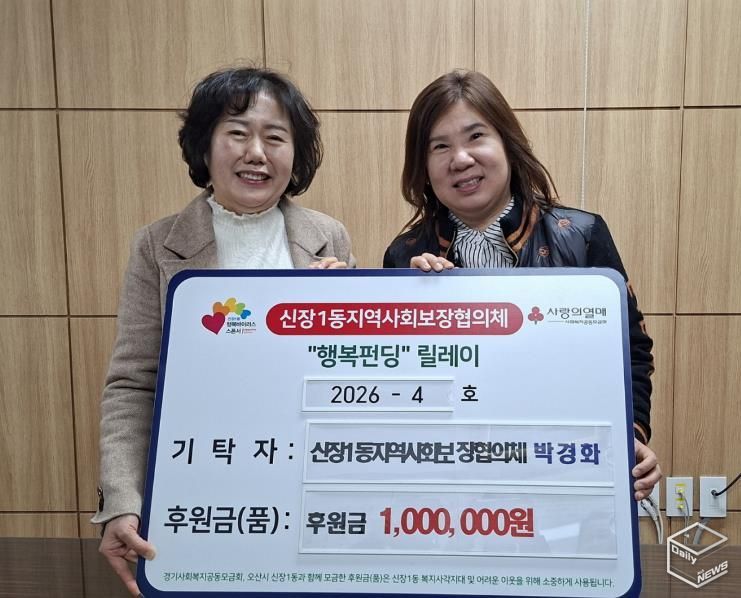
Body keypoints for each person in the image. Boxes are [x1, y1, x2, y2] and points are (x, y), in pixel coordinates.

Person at [93, 67, 354, 595]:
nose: (256, 152)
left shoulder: (328, 237)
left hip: (303, 488)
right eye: (237, 132)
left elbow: (345, 381)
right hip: (199, 493)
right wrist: (121, 502)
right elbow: (133, 385)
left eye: (275, 137)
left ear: (295, 154)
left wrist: (343, 317)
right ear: (204, 146)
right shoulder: (156, 245)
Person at [383, 69, 661, 500]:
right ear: (423, 165)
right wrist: (420, 305)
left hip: (559, 467)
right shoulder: (406, 256)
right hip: (451, 478)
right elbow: (395, 380)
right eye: (440, 146)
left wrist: (632, 432)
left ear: (507, 143)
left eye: (476, 136)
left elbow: (630, 350)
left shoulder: (581, 235)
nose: (460, 159)